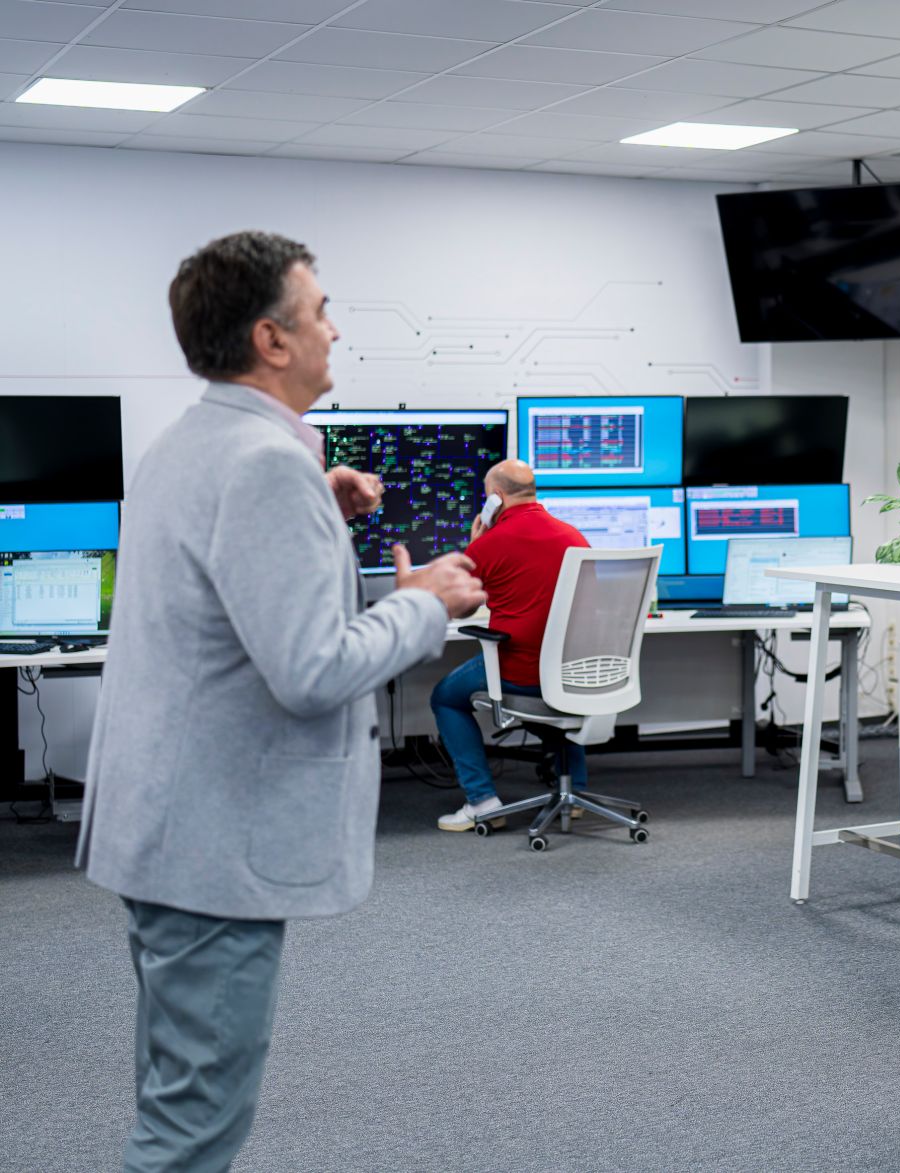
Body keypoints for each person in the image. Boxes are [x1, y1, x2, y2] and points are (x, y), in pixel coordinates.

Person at [76, 231, 484, 1170]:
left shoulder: (200, 443)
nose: (335, 331)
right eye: (321, 311)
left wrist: (315, 499)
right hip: (213, 844)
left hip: (166, 825)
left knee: (176, 1094)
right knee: (192, 1128)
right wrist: (424, 606)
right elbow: (311, 668)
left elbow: (230, 598)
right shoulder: (262, 466)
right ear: (272, 339)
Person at [429, 459, 591, 831]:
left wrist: (474, 546)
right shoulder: (573, 536)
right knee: (555, 705)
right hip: (570, 671)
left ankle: (482, 801)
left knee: (445, 697)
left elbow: (460, 605)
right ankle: (576, 792)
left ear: (496, 499)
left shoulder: (491, 543)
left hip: (517, 667)